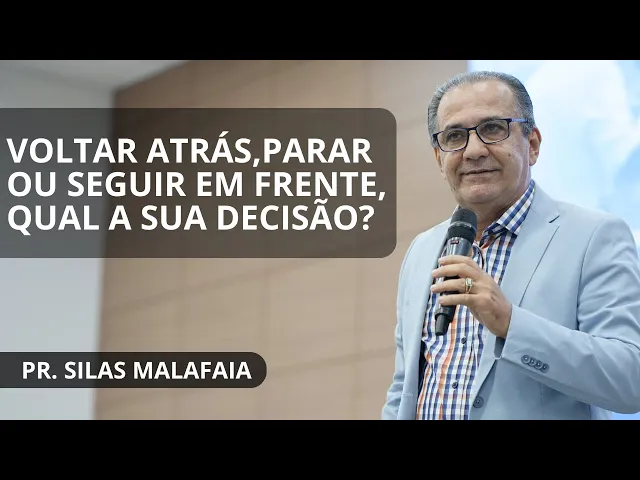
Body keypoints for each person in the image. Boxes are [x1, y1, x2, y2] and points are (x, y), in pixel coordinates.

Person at [381, 70, 640, 420]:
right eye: (455, 136)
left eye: (492, 128)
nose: (473, 151)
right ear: (439, 159)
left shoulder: (595, 236)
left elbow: (629, 381)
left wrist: (509, 322)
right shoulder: (421, 251)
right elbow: (404, 389)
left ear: (532, 145)